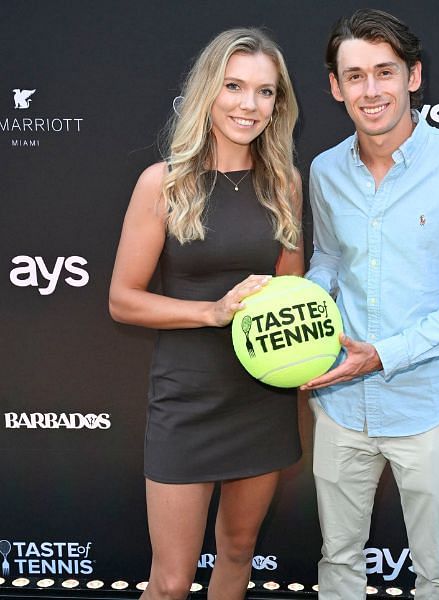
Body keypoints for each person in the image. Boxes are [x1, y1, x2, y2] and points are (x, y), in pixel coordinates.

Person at [301, 9, 439, 599]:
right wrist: (298, 315)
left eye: (384, 72)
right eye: (355, 75)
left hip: (429, 409)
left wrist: (383, 355)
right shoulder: (324, 170)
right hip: (340, 405)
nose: (371, 90)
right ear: (335, 87)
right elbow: (330, 262)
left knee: (437, 574)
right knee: (337, 563)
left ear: (413, 76)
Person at [108, 28, 303, 600]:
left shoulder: (285, 183)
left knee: (239, 555)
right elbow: (122, 298)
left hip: (261, 398)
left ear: (278, 104)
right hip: (187, 399)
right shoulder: (163, 184)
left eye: (265, 92)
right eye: (234, 86)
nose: (249, 104)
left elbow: (290, 288)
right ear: (207, 93)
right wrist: (212, 312)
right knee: (169, 582)